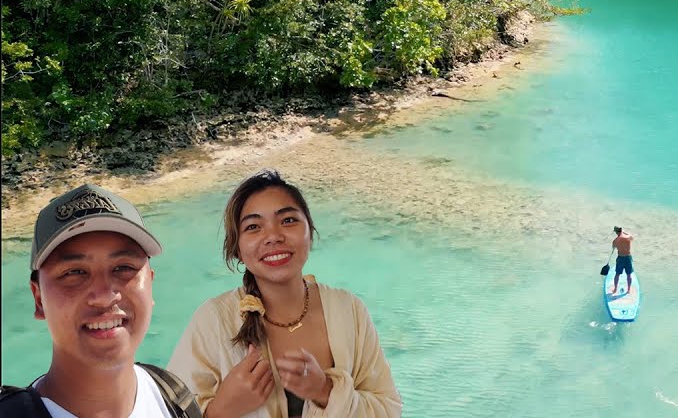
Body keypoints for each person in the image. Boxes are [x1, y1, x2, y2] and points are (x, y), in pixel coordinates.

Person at [167, 169, 401, 418]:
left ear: (309, 232)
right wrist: (222, 409)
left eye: (288, 220)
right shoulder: (213, 320)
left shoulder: (349, 309)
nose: (273, 237)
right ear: (237, 249)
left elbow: (387, 409)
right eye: (254, 226)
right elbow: (165, 411)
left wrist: (325, 391)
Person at [0, 184, 200, 418]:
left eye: (124, 268)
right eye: (74, 272)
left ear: (150, 285)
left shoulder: (173, 398)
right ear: (39, 299)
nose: (105, 296)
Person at [609, 226, 635, 295]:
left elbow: (613, 247)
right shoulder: (627, 238)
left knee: (617, 274)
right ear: (621, 230)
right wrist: (624, 232)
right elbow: (632, 237)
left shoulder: (615, 241)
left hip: (620, 258)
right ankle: (629, 290)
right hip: (628, 257)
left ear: (616, 232)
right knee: (629, 274)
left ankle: (615, 289)